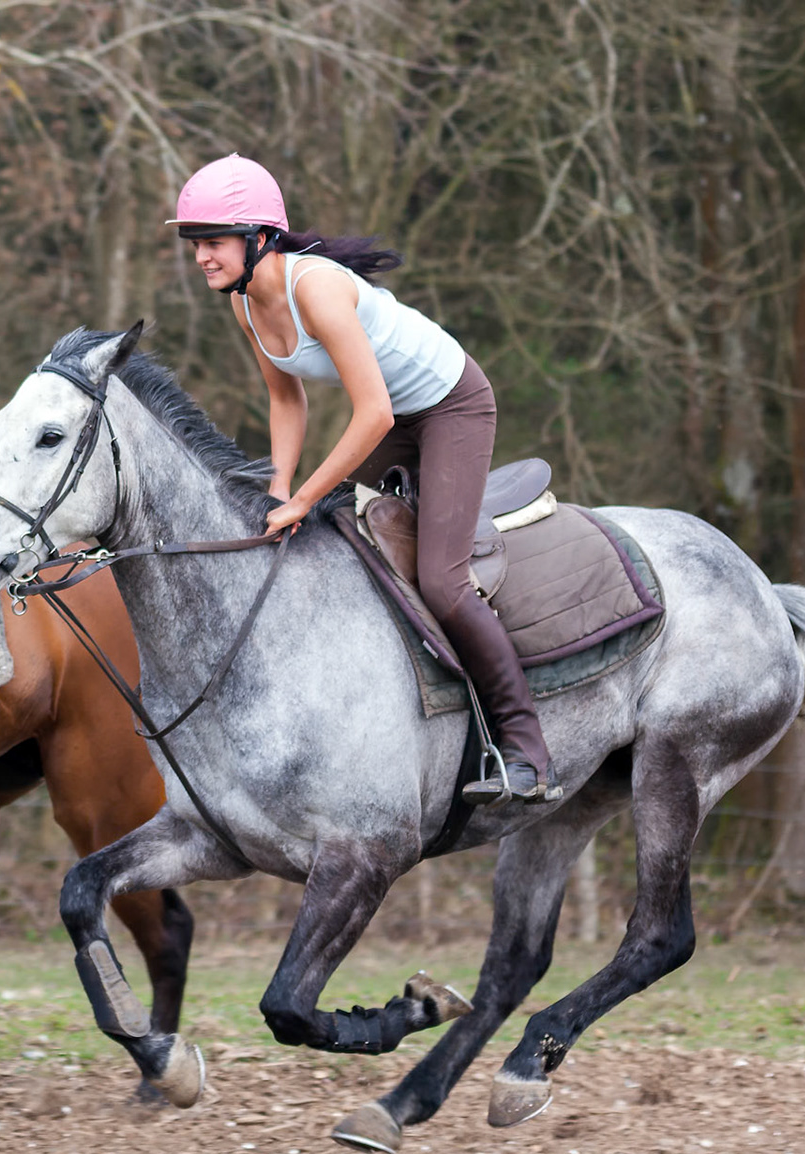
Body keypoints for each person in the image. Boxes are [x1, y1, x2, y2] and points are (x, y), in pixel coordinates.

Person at [170, 153, 556, 803]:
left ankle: (526, 751)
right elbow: (286, 399)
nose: (202, 257)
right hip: (393, 417)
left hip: (450, 406)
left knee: (442, 581)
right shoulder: (245, 303)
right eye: (195, 244)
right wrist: (279, 490)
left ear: (259, 238)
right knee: (328, 539)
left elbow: (372, 413)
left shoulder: (316, 289)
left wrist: (305, 497)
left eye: (214, 242)